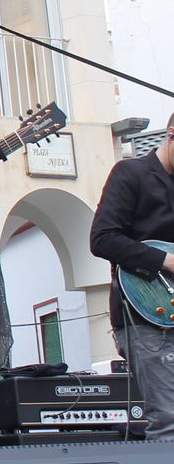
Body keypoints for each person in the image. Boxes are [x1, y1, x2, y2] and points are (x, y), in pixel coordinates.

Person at [88, 112, 174, 440]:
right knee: (169, 420)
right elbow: (102, 239)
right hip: (146, 318)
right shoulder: (131, 174)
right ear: (170, 134)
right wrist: (164, 260)